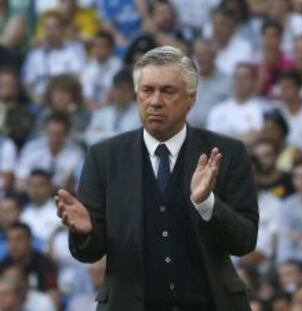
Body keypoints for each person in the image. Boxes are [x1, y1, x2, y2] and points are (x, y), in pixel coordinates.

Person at [55, 46, 259, 311]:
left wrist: (208, 204)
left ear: (191, 98)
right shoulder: (103, 157)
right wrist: (87, 232)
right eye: (147, 90)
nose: (155, 101)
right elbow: (88, 252)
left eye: (168, 91)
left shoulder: (227, 153)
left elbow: (244, 241)